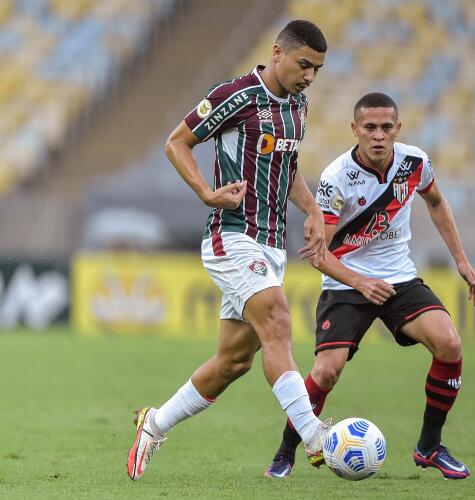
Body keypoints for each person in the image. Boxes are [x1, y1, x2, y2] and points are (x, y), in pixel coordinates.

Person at [127, 20, 332, 480]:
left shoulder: (299, 104)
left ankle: (153, 423)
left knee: (234, 361)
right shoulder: (236, 94)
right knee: (278, 322)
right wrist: (206, 191)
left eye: (317, 69)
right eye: (304, 65)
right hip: (232, 235)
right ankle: (314, 437)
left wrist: (314, 209)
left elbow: (288, 164)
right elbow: (177, 142)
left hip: (272, 243)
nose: (310, 77)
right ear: (277, 52)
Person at [264, 92, 475, 480]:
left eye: (387, 127)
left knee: (450, 344)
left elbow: (436, 202)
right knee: (327, 371)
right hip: (346, 281)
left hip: (399, 276)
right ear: (355, 130)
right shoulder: (336, 179)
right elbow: (318, 254)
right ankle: (286, 451)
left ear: (398, 129)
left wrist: (462, 262)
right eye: (370, 127)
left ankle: (429, 447)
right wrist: (360, 282)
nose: (379, 135)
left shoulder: (415, 162)